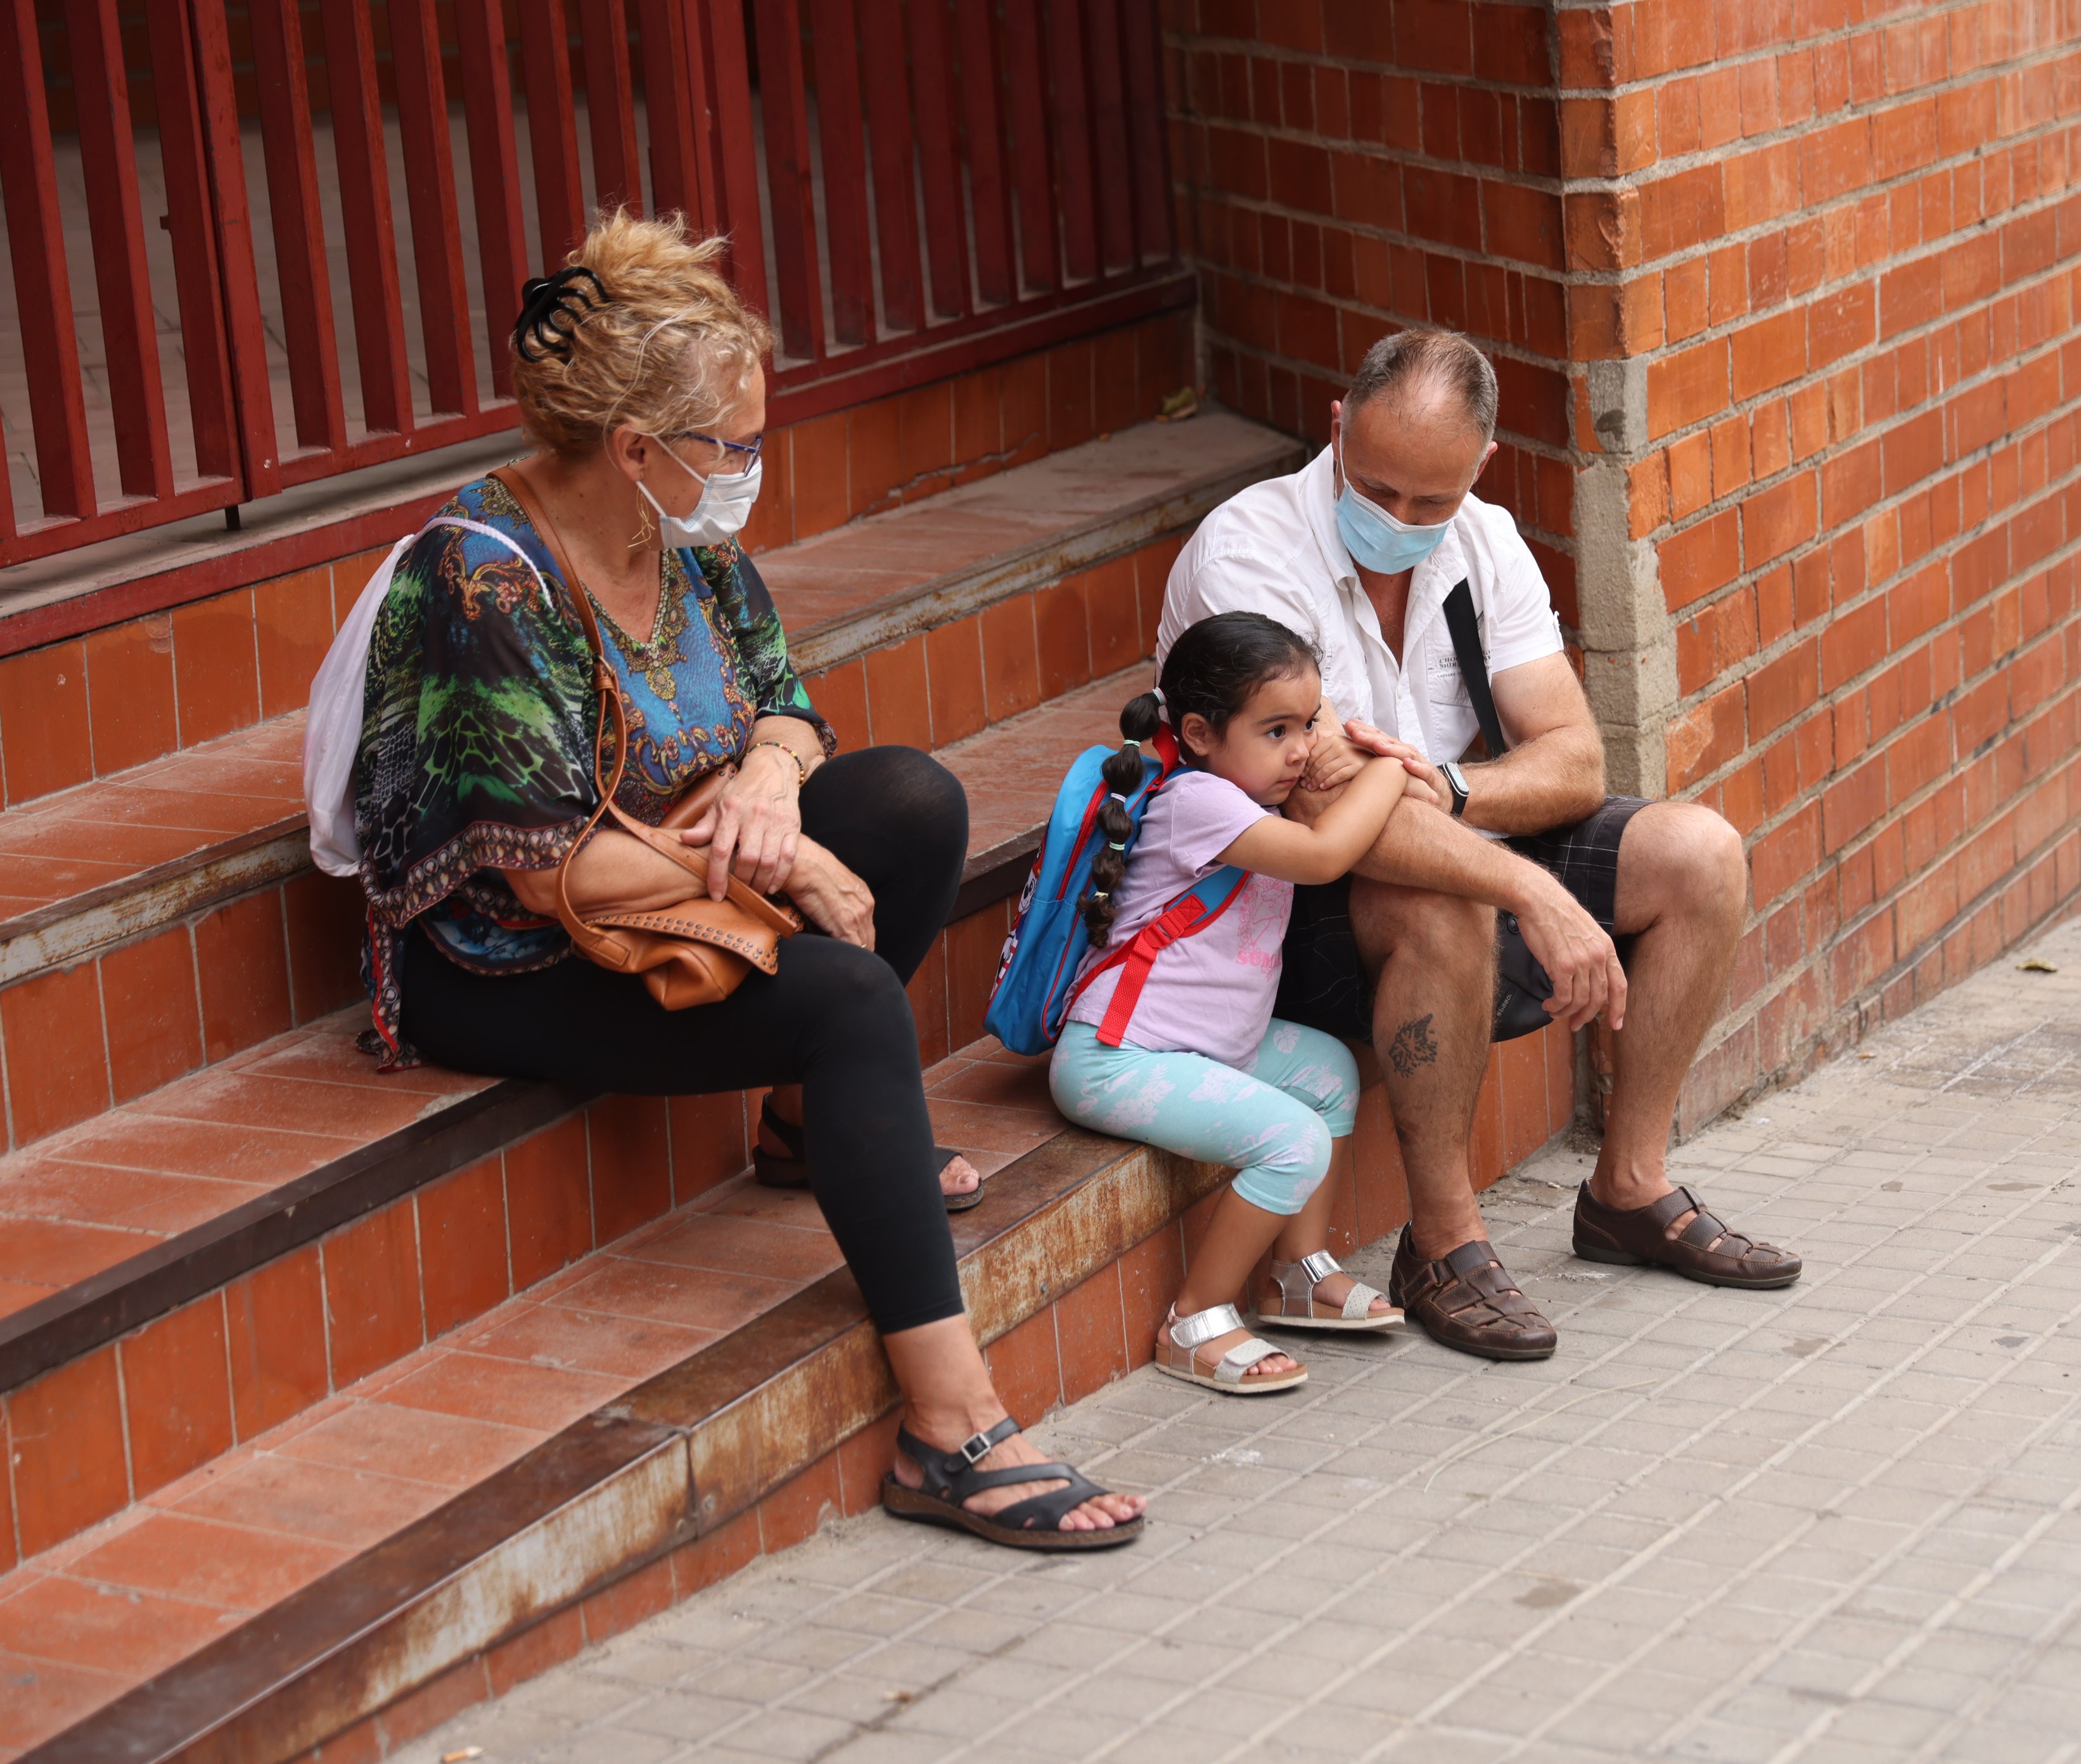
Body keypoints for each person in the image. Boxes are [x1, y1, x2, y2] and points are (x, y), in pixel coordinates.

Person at [350, 210, 1141, 1548]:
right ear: (635, 447)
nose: (750, 471)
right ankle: (950, 1430)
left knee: (910, 803)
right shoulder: (483, 576)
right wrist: (782, 856)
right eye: (733, 446)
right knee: (848, 998)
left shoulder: (687, 538)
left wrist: (773, 782)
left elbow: (786, 700)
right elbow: (544, 871)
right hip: (506, 954)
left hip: (666, 877)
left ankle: (800, 1129)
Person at [1156, 328, 1803, 1363]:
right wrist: (1530, 891)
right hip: (1284, 903)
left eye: (1432, 501)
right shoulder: (1250, 553)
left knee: (1702, 852)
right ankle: (1444, 1241)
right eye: (1377, 489)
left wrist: (1452, 785)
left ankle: (1627, 1188)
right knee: (1440, 895)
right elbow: (1320, 803)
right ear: (1337, 426)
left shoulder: (1485, 542)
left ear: (1482, 465)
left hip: (1444, 830)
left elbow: (1574, 758)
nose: (1399, 520)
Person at [1047, 613, 1413, 1395]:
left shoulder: (1250, 792)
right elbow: (1323, 857)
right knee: (1293, 1142)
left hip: (1203, 1043)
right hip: (1116, 1058)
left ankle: (1296, 1272)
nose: (1302, 748)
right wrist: (1392, 767)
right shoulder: (1200, 803)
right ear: (1200, 735)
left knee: (1329, 1075)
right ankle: (1195, 1320)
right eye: (1276, 730)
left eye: (1308, 725)